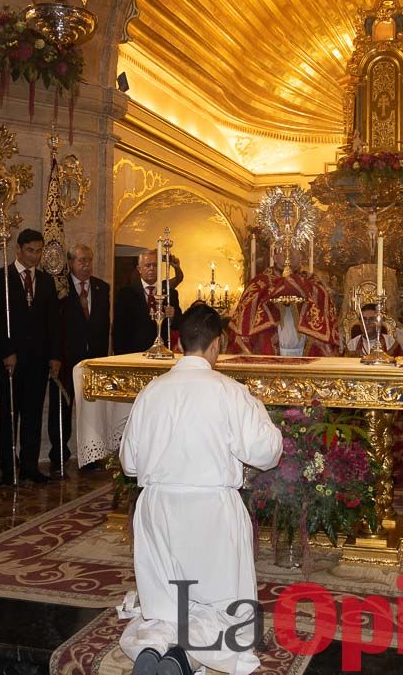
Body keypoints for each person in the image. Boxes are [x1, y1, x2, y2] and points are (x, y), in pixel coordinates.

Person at [117, 304, 283, 675]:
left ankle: (154, 646)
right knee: (225, 609)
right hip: (211, 510)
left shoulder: (151, 392)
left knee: (165, 603)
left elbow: (129, 463)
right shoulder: (230, 392)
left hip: (158, 508)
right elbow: (266, 452)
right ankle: (184, 658)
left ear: (178, 341)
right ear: (216, 344)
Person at [0, 228, 63, 485]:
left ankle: (30, 465)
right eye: (30, 250)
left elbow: (53, 322)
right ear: (18, 250)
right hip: (11, 361)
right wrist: (5, 352)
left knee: (33, 414)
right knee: (10, 414)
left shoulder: (46, 280)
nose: (35, 256)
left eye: (39, 251)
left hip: (38, 360)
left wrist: (54, 355)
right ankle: (9, 468)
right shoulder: (0, 279)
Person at [54, 243, 110, 474]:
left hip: (94, 361)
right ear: (70, 263)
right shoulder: (60, 287)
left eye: (89, 260)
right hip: (67, 360)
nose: (86, 265)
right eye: (81, 261)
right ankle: (59, 456)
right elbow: (54, 326)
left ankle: (90, 457)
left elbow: (105, 324)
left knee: (91, 412)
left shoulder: (101, 287)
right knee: (62, 410)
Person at [228, 247, 338, 356]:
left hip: (306, 351)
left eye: (295, 250)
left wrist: (296, 285)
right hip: (269, 350)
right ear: (275, 257)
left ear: (301, 257)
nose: (289, 253)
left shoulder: (312, 281)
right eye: (283, 250)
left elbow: (324, 305)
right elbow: (247, 308)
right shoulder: (261, 281)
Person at [113, 249, 182, 355]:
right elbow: (119, 329)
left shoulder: (170, 293)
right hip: (134, 353)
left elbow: (178, 325)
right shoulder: (126, 294)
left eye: (154, 265)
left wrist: (172, 316)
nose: (151, 269)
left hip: (162, 354)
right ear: (139, 269)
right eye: (147, 265)